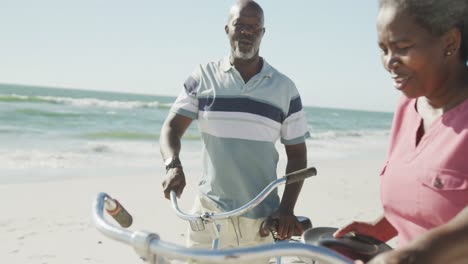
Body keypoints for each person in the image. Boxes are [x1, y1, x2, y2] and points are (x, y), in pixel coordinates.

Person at [159, 0, 310, 258]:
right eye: (240, 25)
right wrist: (173, 165)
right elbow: (171, 127)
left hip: (261, 221)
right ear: (227, 29)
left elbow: (297, 155)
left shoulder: (285, 88)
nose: (247, 32)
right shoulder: (203, 76)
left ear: (263, 33)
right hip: (208, 216)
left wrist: (286, 208)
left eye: (254, 27)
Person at [334, 0, 468, 263]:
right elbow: (426, 196)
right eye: (383, 49)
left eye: (402, 48)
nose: (389, 62)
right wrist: (379, 228)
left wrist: (412, 256)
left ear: (450, 42)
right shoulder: (408, 106)